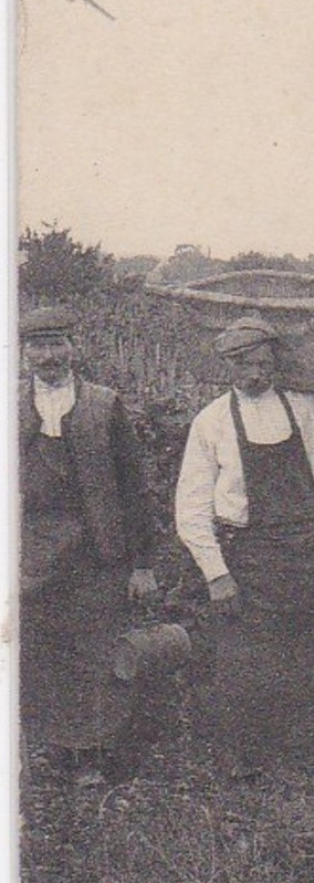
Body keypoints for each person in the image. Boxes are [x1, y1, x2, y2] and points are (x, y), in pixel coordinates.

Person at [174, 316, 314, 774]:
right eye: (246, 364)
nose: (256, 374)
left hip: (312, 550)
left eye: (264, 363)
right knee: (251, 664)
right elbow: (191, 508)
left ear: (278, 363)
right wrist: (217, 574)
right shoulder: (211, 422)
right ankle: (250, 766)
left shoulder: (304, 406)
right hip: (251, 557)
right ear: (229, 365)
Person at [19, 307, 159, 787]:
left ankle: (91, 757)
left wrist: (141, 562)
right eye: (38, 346)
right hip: (32, 553)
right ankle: (51, 750)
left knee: (95, 654)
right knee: (40, 650)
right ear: (25, 354)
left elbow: (134, 486)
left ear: (74, 349)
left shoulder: (104, 404)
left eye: (57, 344)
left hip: (97, 551)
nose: (49, 356)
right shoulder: (10, 405)